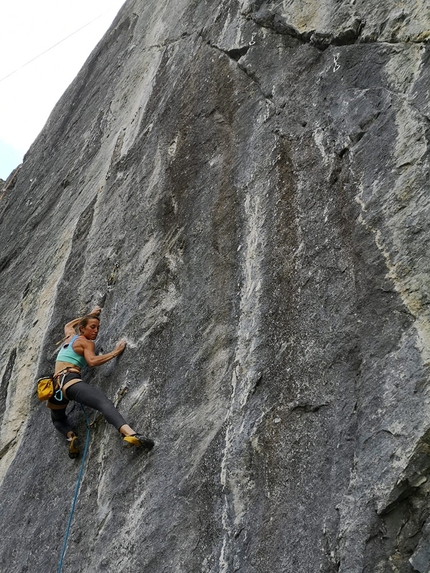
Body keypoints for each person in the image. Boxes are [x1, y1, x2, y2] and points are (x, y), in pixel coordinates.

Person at [48, 306, 154, 458]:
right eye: (92, 327)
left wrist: (90, 315)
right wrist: (115, 352)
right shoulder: (86, 343)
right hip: (70, 381)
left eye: (98, 327)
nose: (96, 331)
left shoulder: (69, 337)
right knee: (103, 403)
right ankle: (130, 434)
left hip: (56, 389)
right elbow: (91, 361)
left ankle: (71, 436)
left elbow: (68, 325)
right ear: (82, 329)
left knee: (57, 420)